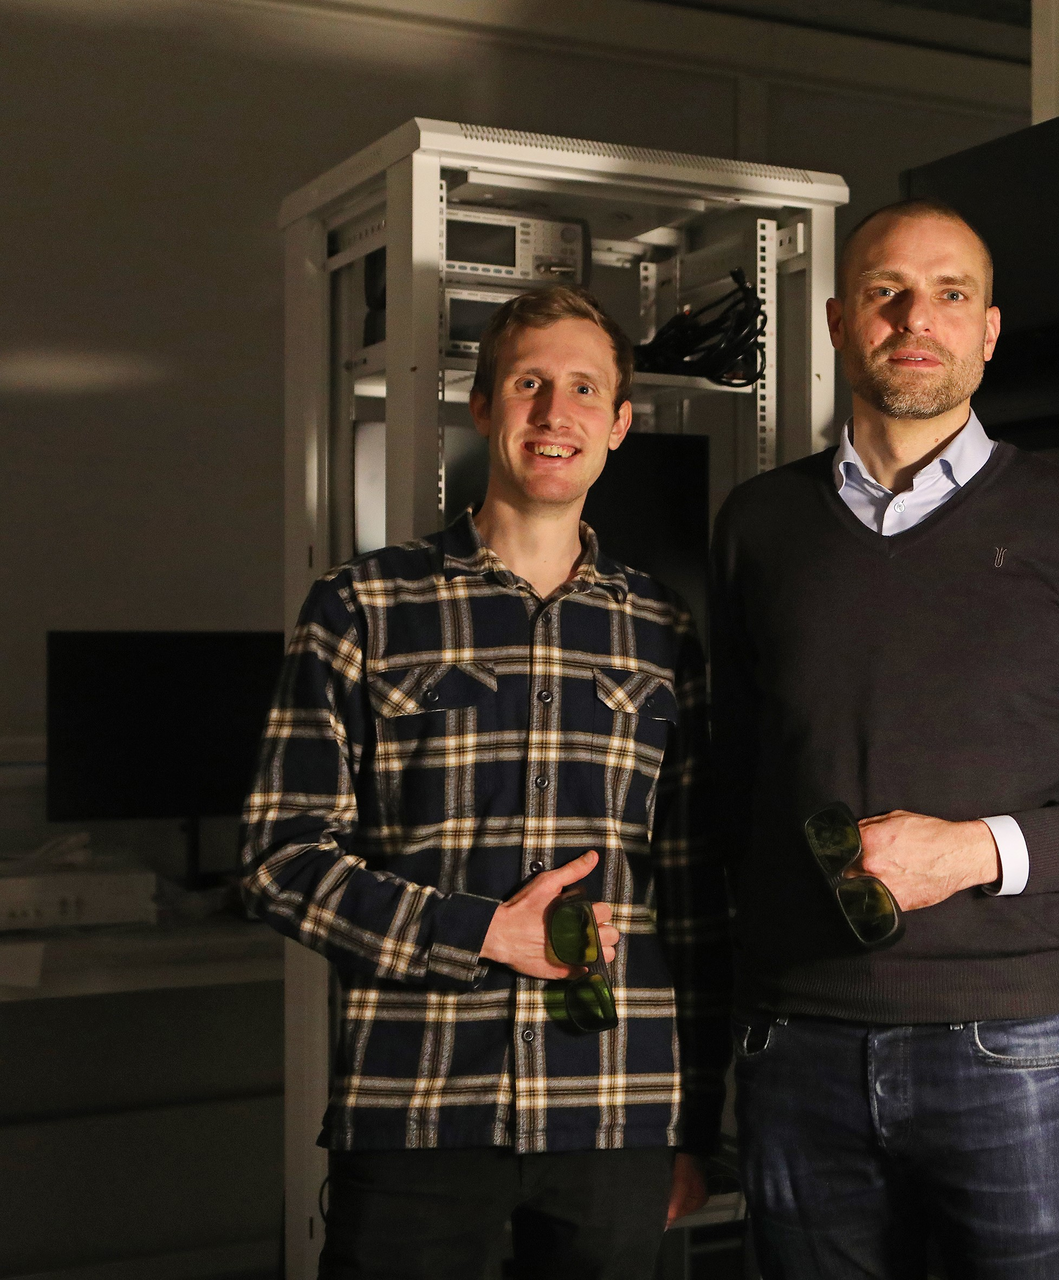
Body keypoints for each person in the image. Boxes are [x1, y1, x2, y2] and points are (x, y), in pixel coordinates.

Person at [710, 198, 1059, 1279]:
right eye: (889, 293)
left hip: (1013, 1046)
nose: (917, 318)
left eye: (950, 294)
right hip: (795, 1044)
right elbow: (731, 793)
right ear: (843, 318)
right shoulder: (758, 527)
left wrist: (974, 848)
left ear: (989, 330)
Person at [241, 286, 727, 1279]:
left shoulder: (664, 629)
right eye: (529, 384)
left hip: (614, 1114)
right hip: (418, 1106)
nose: (557, 413)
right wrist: (477, 930)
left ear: (621, 424)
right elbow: (277, 857)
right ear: (483, 406)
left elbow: (694, 895)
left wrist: (698, 1121)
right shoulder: (362, 604)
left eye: (585, 389)